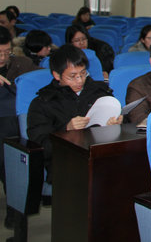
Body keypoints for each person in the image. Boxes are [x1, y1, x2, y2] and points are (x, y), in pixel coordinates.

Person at [27, 45, 122, 183]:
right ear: (57, 75)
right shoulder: (43, 102)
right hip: (66, 164)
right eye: (72, 76)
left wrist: (116, 125)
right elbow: (41, 146)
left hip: (102, 156)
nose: (80, 80)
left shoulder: (99, 91)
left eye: (83, 74)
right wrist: (66, 130)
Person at [0, 26, 37, 223]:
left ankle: (14, 207)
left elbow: (41, 79)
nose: (3, 57)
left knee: (10, 147)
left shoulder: (22, 64)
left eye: (7, 52)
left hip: (12, 122)